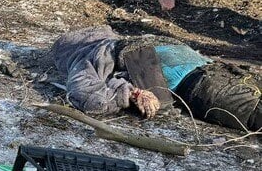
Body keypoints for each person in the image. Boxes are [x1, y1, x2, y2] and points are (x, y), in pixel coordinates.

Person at [52, 25, 261, 132]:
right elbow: (91, 91)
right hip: (210, 74)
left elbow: (86, 94)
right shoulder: (106, 48)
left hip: (206, 79)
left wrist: (132, 92)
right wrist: (130, 91)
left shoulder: (98, 52)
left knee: (253, 113)